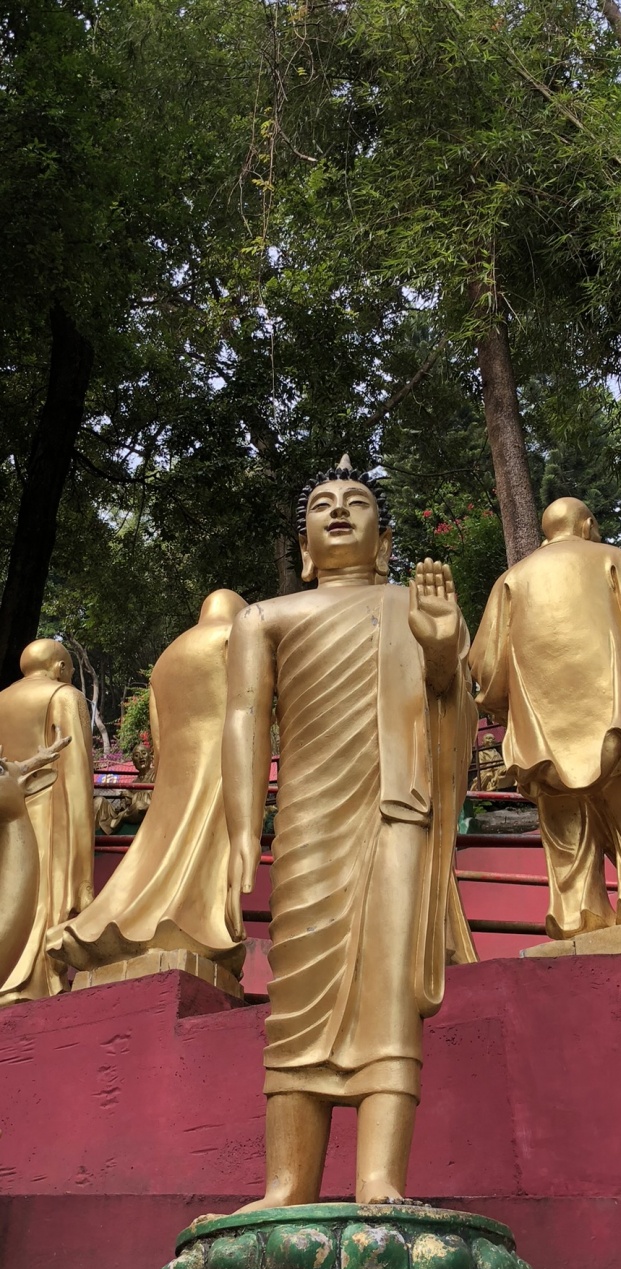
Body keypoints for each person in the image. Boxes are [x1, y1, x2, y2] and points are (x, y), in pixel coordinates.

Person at [222, 456, 477, 1209]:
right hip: (306, 819)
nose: (338, 510)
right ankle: (285, 1186)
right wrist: (244, 824)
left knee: (388, 987)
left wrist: (437, 646)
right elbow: (244, 720)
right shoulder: (265, 618)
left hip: (393, 811)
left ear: (384, 537)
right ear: (304, 543)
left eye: (357, 502)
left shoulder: (411, 606)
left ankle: (381, 1182)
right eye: (323, 504)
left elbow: (449, 704)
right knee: (296, 993)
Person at [470, 496, 621, 940]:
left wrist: (507, 706)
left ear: (545, 535)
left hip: (542, 735)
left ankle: (577, 920)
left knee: (567, 838)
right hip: (619, 721)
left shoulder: (510, 581)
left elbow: (484, 665)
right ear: (588, 526)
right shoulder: (613, 560)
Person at [49, 590, 246, 985]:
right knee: (202, 852)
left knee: (157, 848)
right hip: (224, 760)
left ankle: (124, 921)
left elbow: (157, 735)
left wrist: (167, 766)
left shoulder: (167, 658)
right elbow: (249, 708)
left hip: (176, 770)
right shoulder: (236, 638)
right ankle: (189, 925)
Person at [0, 640, 94, 1003]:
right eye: (68, 669)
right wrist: (83, 870)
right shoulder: (64, 696)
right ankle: (34, 982)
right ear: (59, 667)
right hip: (47, 809)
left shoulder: (2, 699)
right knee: (40, 895)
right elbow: (77, 772)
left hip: (6, 809)